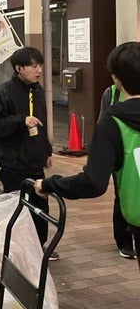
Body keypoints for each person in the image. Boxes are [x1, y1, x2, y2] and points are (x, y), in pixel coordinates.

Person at [35, 42, 140, 267]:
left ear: (116, 78)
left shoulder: (113, 122)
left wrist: (49, 184)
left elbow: (93, 182)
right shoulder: (111, 113)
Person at [0, 47, 56, 258]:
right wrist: (20, 121)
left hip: (35, 163)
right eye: (34, 66)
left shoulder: (38, 91)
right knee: (17, 208)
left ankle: (39, 246)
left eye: (40, 65)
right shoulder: (3, 93)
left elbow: (42, 124)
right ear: (19, 68)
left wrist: (47, 150)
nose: (39, 70)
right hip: (13, 164)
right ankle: (16, 248)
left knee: (40, 207)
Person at [97, 82, 136, 258]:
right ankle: (124, 241)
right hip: (122, 156)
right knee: (122, 196)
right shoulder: (110, 93)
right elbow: (103, 124)